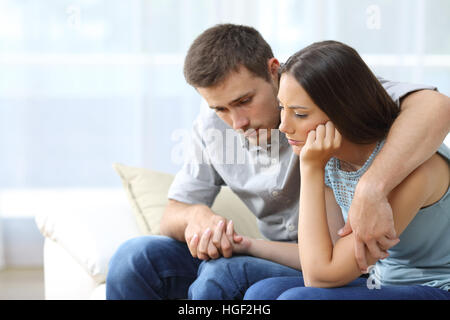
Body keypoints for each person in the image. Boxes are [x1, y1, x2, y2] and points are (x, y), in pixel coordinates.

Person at [106, 24, 450, 300]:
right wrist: (199, 217)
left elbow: (436, 106)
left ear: (274, 71)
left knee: (231, 276)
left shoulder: (327, 93)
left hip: (347, 265)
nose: (236, 123)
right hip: (303, 257)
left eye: (244, 100)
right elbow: (173, 213)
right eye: (220, 108)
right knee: (136, 258)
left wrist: (371, 187)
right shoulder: (321, 156)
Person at [244, 40, 450, 300]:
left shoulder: (407, 167)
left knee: (296, 299)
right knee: (261, 293)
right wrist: (315, 168)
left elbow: (320, 276)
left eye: (300, 114)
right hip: (381, 282)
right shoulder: (330, 159)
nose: (283, 126)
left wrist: (309, 170)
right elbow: (322, 257)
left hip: (437, 287)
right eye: (282, 108)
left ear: (344, 111)